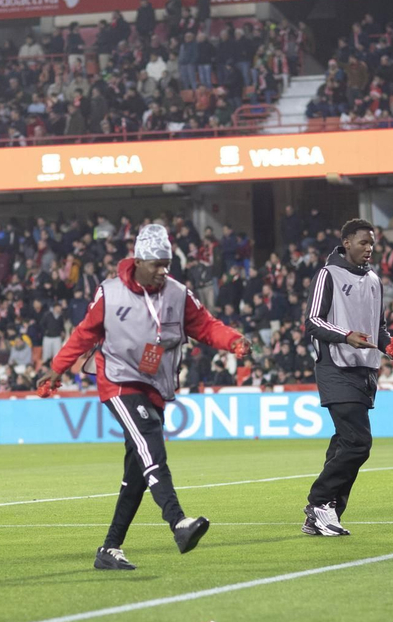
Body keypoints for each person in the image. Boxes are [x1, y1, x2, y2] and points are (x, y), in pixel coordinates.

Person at [37, 224, 252, 571]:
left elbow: (205, 325)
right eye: (156, 264)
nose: (163, 270)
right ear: (137, 261)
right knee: (151, 441)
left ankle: (109, 549)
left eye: (167, 263)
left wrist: (233, 340)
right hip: (118, 379)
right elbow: (84, 334)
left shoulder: (178, 293)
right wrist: (57, 369)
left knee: (137, 470)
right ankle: (178, 522)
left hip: (155, 384)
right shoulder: (109, 293)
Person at [301, 219, 393, 536]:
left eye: (373, 244)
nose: (369, 248)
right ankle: (319, 502)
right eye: (364, 242)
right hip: (335, 366)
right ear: (346, 241)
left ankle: (325, 515)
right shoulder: (328, 275)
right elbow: (313, 321)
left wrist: (390, 346)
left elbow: (378, 328)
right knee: (358, 443)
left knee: (343, 443)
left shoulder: (375, 281)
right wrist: (345, 335)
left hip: (365, 369)